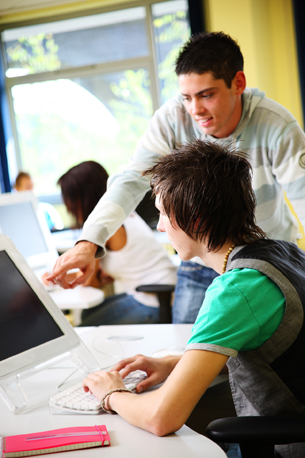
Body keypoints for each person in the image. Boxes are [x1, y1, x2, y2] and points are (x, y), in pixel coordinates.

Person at [47, 32, 305, 325]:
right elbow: (132, 179)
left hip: (265, 257)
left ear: (238, 84)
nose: (195, 109)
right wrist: (87, 244)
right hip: (200, 260)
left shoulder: (277, 126)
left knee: (266, 354)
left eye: (207, 95)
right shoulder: (173, 119)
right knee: (184, 348)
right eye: (187, 97)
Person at [82, 140, 305, 458]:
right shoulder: (283, 251)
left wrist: (112, 394)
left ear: (196, 219)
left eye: (163, 214)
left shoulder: (238, 289)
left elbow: (161, 418)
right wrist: (176, 364)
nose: (160, 227)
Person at [56, 160, 177, 325]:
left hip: (151, 302)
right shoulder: (122, 214)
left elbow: (88, 281)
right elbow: (95, 278)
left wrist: (54, 277)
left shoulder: (103, 228)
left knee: (84, 329)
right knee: (87, 314)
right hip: (160, 296)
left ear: (80, 198)